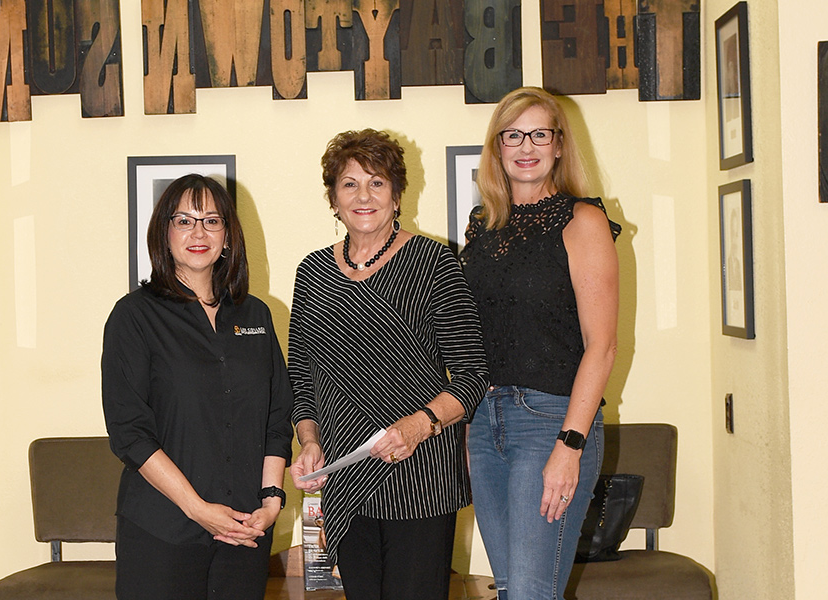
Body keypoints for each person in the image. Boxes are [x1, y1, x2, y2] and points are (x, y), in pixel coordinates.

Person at [288, 129, 489, 600]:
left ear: (397, 195)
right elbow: (301, 373)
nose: (363, 196)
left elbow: (474, 376)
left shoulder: (434, 262)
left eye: (376, 183)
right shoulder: (311, 273)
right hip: (346, 471)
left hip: (419, 472)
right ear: (333, 198)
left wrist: (420, 426)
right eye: (349, 184)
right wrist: (310, 440)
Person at [460, 87, 621, 600]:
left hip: (550, 422)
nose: (525, 146)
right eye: (513, 135)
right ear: (497, 147)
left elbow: (603, 345)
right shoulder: (483, 227)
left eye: (539, 134)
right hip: (484, 424)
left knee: (531, 593)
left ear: (557, 145)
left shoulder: (583, 221)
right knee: (511, 590)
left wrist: (569, 445)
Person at [102, 174, 294, 600]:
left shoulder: (256, 314)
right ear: (163, 232)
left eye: (211, 220)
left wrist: (271, 500)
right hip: (162, 530)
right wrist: (197, 510)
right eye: (184, 220)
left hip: (244, 529)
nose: (198, 232)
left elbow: (277, 418)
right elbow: (128, 432)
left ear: (228, 235)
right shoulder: (134, 316)